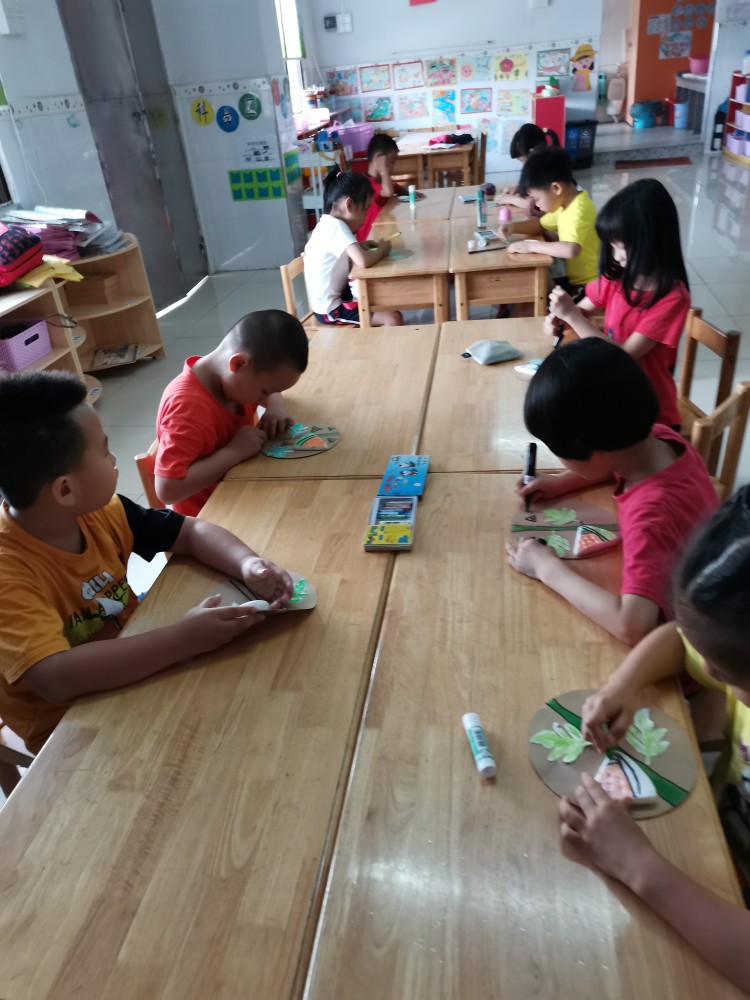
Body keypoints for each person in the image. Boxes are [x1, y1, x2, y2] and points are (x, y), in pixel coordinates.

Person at [0, 371, 294, 755]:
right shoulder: (8, 572)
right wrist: (183, 639)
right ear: (65, 489)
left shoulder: (102, 511)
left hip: (141, 661)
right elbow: (54, 677)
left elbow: (190, 532)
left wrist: (247, 564)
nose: (114, 459)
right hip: (70, 726)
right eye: (104, 451)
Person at [564, 488, 750, 995]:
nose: (705, 669)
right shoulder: (738, 644)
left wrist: (636, 865)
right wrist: (619, 687)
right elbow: (679, 643)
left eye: (723, 672)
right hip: (713, 849)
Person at [506, 339, 718, 646]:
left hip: (688, 644)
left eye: (557, 449)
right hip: (708, 587)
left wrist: (546, 568)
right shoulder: (657, 438)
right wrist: (560, 483)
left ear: (593, 450)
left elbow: (632, 626)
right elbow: (610, 463)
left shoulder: (652, 514)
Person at [545, 178, 690, 430]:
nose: (616, 256)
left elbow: (622, 358)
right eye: (611, 246)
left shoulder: (672, 297)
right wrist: (560, 317)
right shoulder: (617, 277)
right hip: (616, 394)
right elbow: (583, 309)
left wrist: (572, 316)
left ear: (653, 242)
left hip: (650, 415)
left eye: (621, 247)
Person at [155, 309, 308, 516]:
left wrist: (275, 408)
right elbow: (167, 489)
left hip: (243, 490)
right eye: (265, 391)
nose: (266, 397)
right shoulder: (188, 408)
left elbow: (272, 392)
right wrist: (233, 452)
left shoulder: (231, 379)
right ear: (238, 364)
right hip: (210, 516)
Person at [303, 169, 403, 328]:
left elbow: (341, 252)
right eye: (365, 210)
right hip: (332, 310)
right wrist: (382, 250)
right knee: (393, 318)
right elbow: (362, 261)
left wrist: (361, 245)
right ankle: (376, 343)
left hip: (331, 301)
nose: (366, 217)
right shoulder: (337, 227)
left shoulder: (327, 223)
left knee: (382, 302)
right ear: (349, 205)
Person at [501, 145, 599, 301]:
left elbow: (571, 249)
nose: (536, 205)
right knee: (530, 286)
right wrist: (512, 227)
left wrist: (531, 246)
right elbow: (540, 224)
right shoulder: (564, 204)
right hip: (573, 279)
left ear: (556, 188)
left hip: (589, 286)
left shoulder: (579, 209)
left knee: (534, 291)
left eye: (537, 199)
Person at [357, 133, 424, 241]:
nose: (393, 167)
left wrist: (410, 193)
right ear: (379, 158)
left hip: (382, 231)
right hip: (369, 239)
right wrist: (383, 170)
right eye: (392, 161)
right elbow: (388, 191)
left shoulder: (380, 181)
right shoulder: (366, 184)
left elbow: (396, 187)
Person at [498, 123, 561, 216]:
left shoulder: (545, 168)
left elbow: (534, 204)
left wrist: (509, 199)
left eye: (524, 161)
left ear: (533, 152)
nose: (525, 166)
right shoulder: (544, 162)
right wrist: (518, 188)